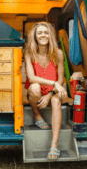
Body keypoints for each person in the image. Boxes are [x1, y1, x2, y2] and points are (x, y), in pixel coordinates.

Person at [24, 22, 67, 161]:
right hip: (37, 91)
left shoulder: (58, 53)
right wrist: (54, 83)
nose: (43, 35)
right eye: (40, 33)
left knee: (55, 101)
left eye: (46, 32)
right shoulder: (29, 53)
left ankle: (54, 145)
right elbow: (31, 77)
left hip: (53, 91)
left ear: (51, 35)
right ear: (35, 37)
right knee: (35, 87)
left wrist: (50, 94)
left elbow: (60, 79)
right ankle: (37, 115)